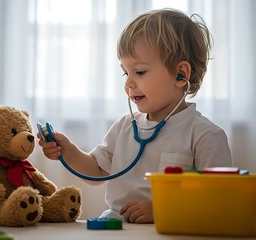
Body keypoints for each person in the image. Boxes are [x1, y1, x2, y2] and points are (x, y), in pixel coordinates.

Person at [37, 8, 232, 224]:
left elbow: (218, 200)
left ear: (180, 75)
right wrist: (69, 151)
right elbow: (97, 171)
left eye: (139, 72)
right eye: (125, 72)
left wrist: (162, 211)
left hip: (170, 228)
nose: (128, 82)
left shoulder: (205, 135)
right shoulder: (125, 127)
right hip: (117, 226)